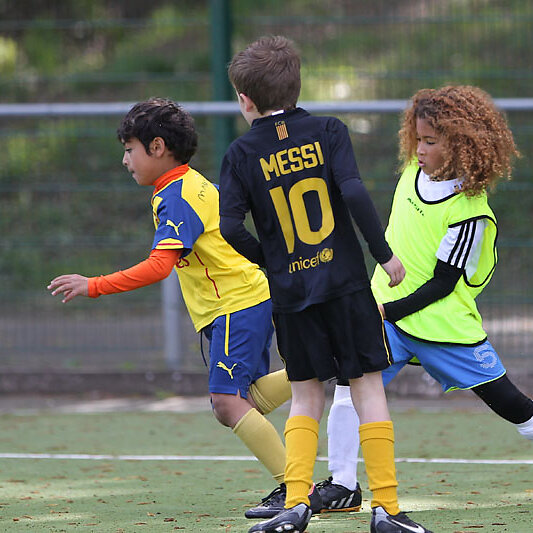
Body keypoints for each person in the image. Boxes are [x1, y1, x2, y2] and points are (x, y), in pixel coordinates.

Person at [219, 35, 433, 533]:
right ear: (297, 86)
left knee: (305, 395)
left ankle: (296, 505)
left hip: (292, 293)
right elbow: (353, 192)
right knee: (367, 388)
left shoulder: (240, 153)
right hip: (345, 284)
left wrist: (273, 263)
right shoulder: (329, 130)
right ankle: (386, 509)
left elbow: (230, 227)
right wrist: (383, 253)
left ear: (245, 100)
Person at [47, 97, 297, 510]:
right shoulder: (186, 184)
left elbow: (158, 266)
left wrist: (94, 285)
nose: (125, 160)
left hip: (235, 305)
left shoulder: (177, 195)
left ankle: (296, 486)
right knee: (241, 400)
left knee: (227, 402)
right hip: (243, 302)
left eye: (129, 149)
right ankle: (318, 369)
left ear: (158, 147)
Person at [323, 85, 533, 499]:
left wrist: (385, 311)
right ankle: (342, 484)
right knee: (348, 386)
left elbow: (442, 285)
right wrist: (380, 309)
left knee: (511, 403)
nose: (419, 149)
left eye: (431, 142)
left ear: (461, 147)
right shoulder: (411, 173)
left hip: (441, 326)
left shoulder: (470, 212)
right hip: (387, 316)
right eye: (418, 138)